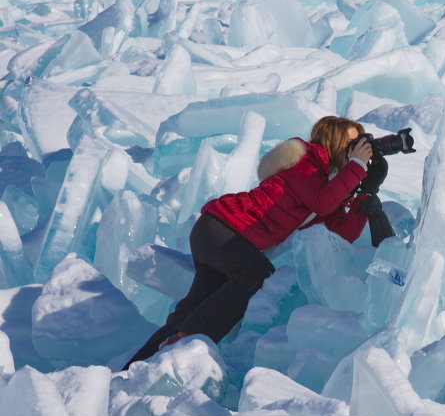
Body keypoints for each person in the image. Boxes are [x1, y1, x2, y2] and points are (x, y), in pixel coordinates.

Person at [123, 115, 388, 369]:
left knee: (191, 310)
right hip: (219, 229)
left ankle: (137, 366)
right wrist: (355, 167)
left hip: (225, 238)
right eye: (351, 144)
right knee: (257, 275)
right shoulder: (305, 162)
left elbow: (339, 233)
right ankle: (186, 340)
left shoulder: (328, 186)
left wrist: (366, 191)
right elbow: (322, 201)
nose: (357, 150)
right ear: (332, 141)